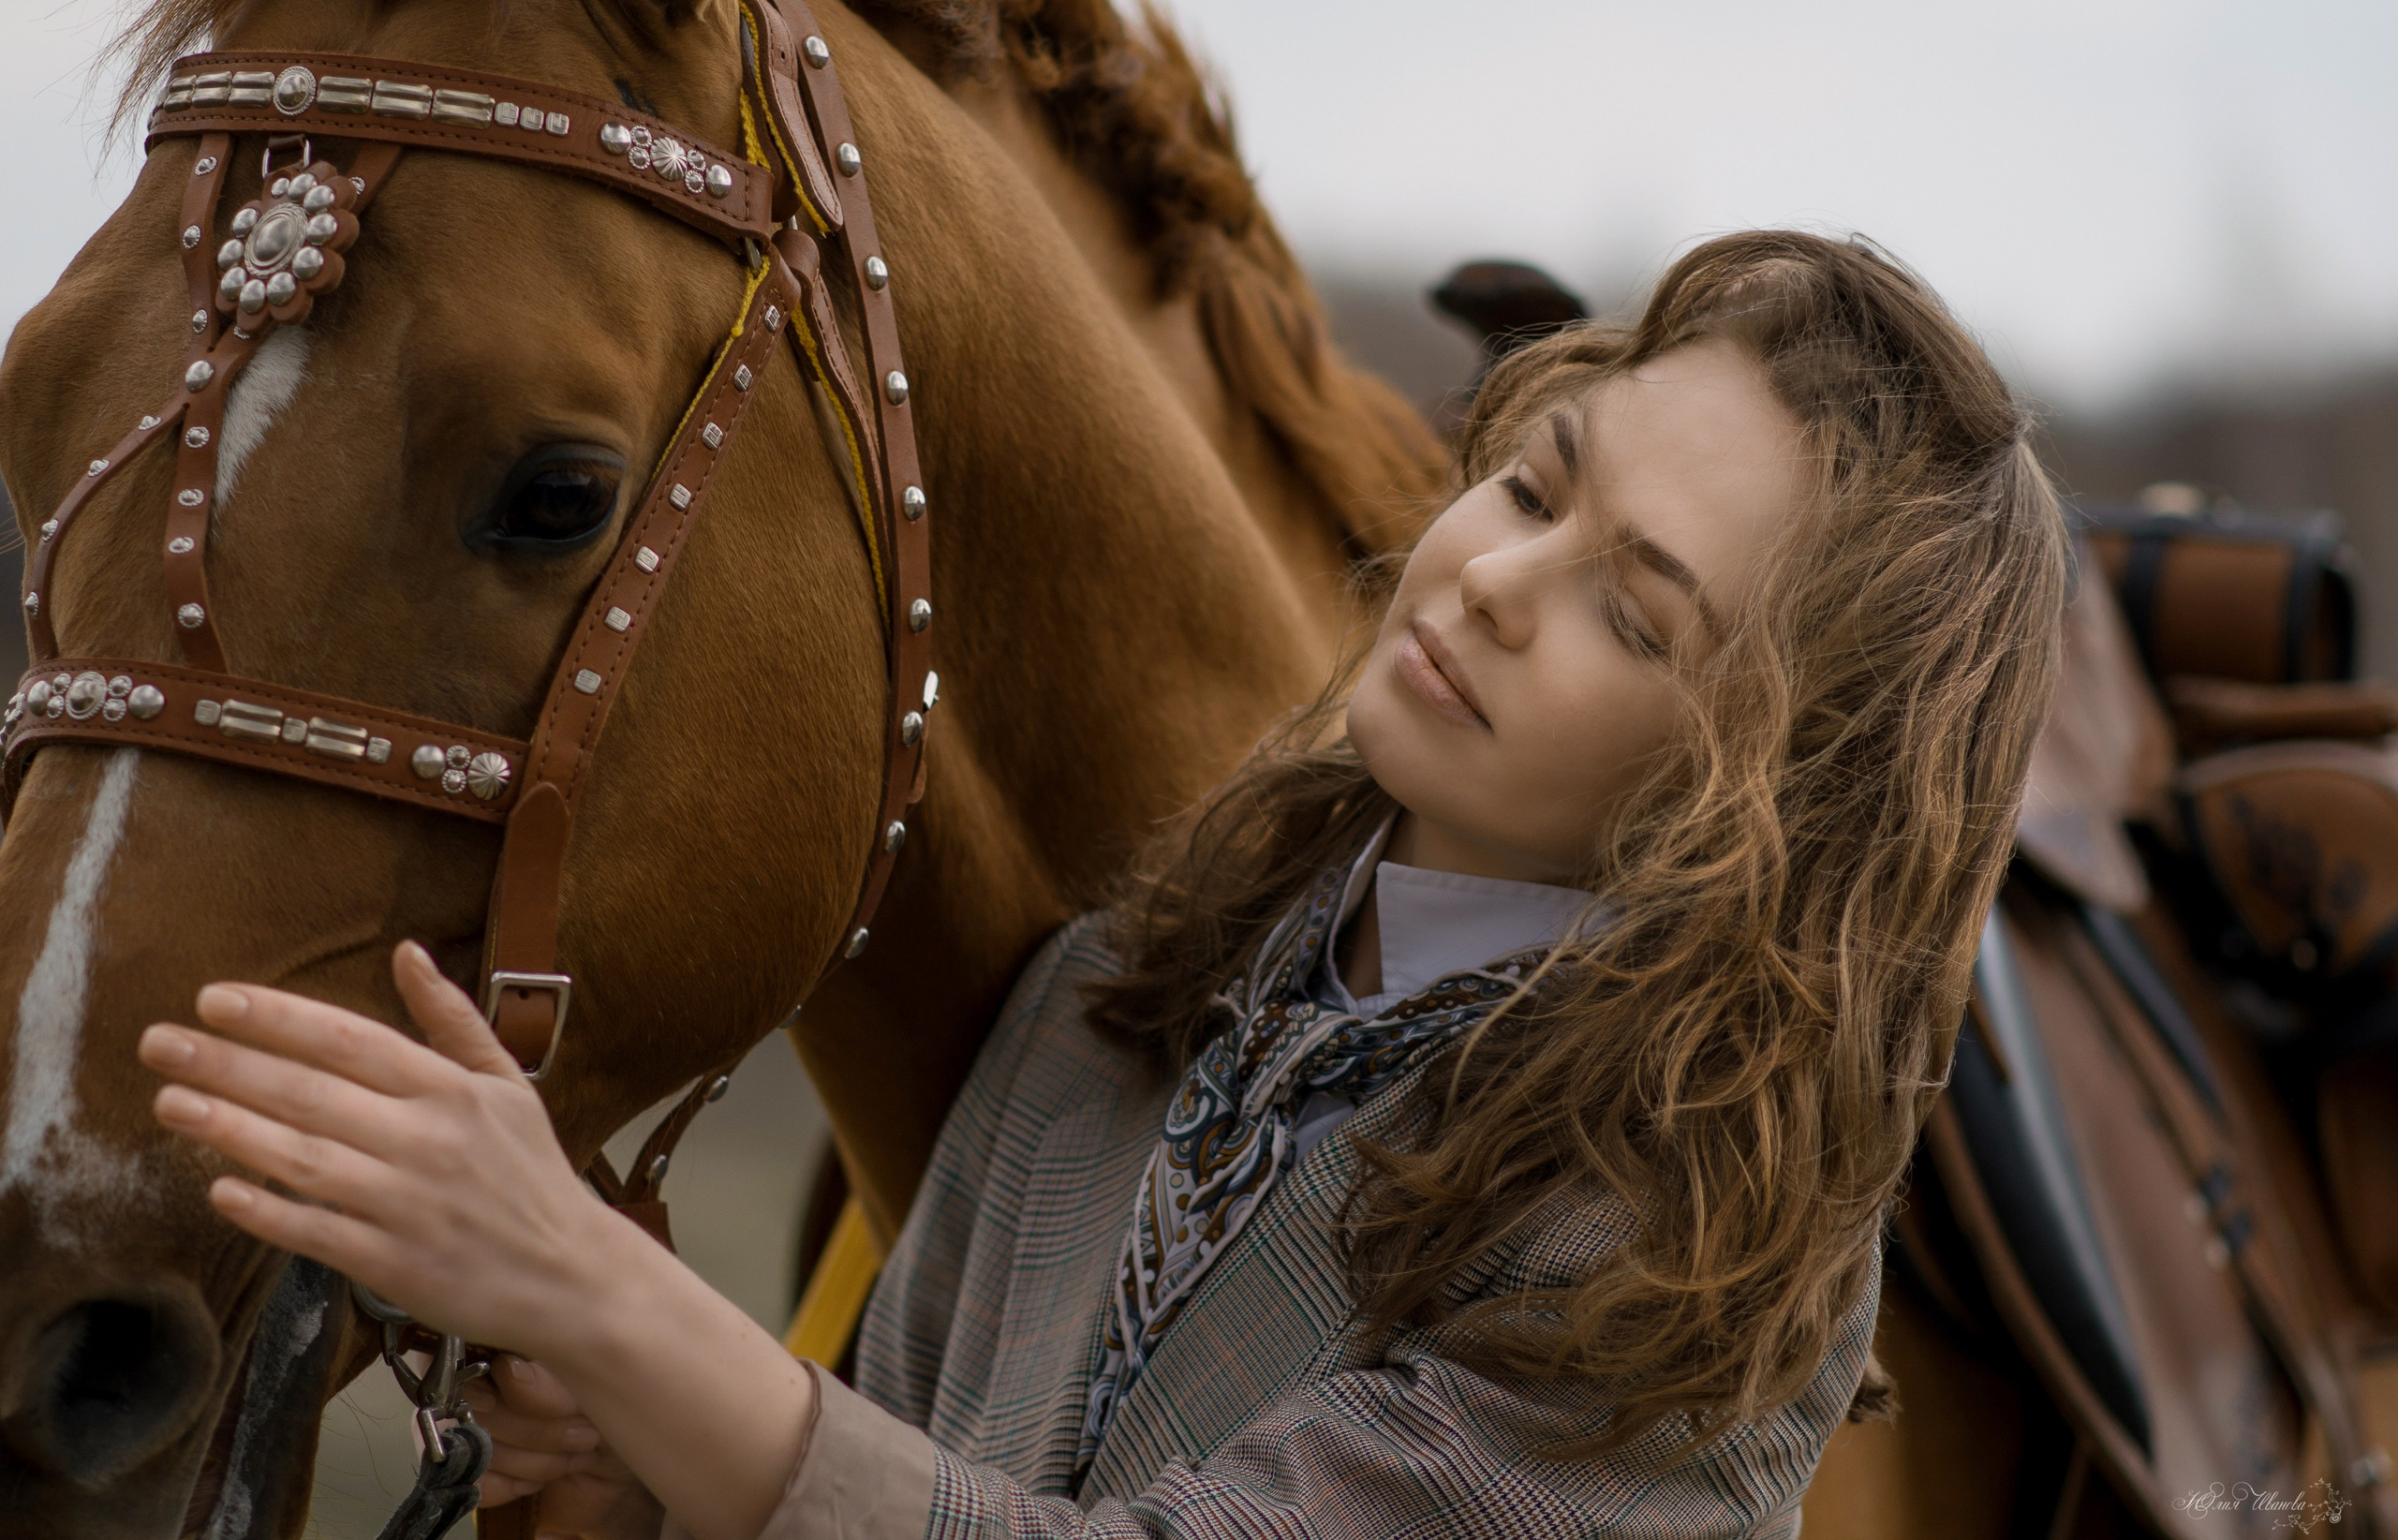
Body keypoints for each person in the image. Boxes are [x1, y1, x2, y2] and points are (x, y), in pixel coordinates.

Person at [137, 230, 2066, 1540]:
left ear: (1766, 797)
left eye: (1631, 620)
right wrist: (642, 1458)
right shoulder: (1116, 987)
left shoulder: (1684, 1275)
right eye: (1535, 487)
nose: (1489, 577)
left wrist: (621, 1316)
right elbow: (917, 1465)